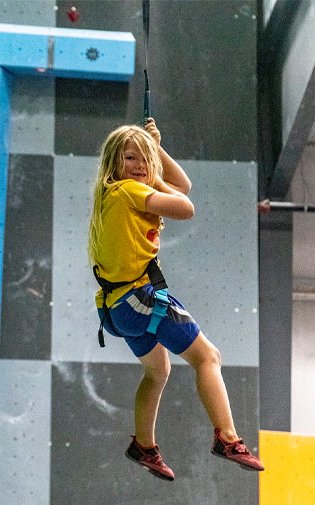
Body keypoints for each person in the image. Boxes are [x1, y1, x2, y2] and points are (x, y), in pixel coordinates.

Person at [88, 119, 264, 481]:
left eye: (143, 160)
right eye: (130, 158)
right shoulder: (126, 191)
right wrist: (152, 171)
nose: (138, 166)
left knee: (158, 371)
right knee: (208, 357)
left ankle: (144, 446)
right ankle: (227, 438)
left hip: (117, 309)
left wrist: (158, 149)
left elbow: (182, 185)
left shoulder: (114, 193)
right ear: (113, 165)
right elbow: (186, 206)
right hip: (140, 299)